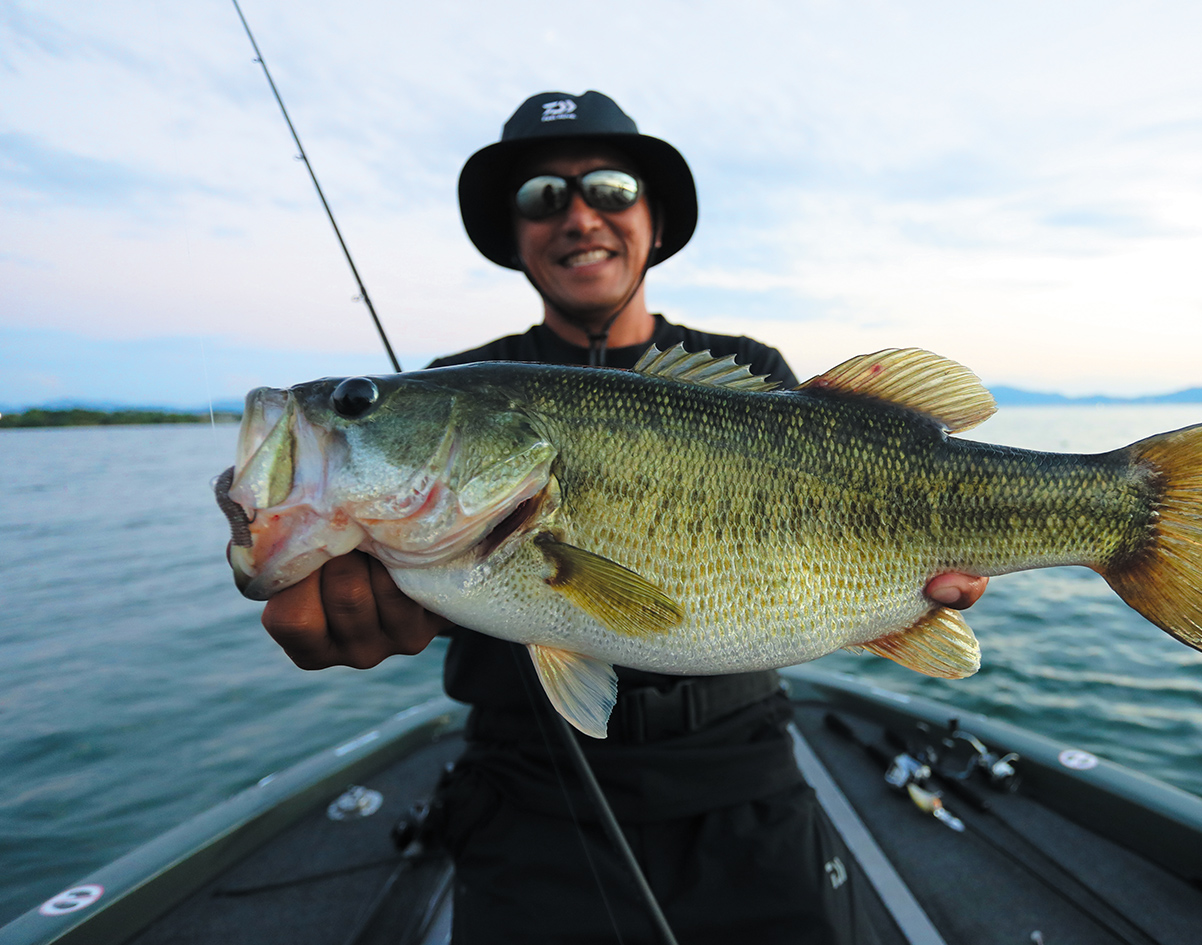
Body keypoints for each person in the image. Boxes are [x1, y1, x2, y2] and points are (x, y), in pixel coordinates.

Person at [261, 90, 988, 944]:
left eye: (609, 187)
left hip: (740, 770)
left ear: (652, 216)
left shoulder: (749, 372)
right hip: (527, 787)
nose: (578, 216)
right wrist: (327, 580)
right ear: (515, 230)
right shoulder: (456, 380)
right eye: (542, 196)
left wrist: (903, 595)